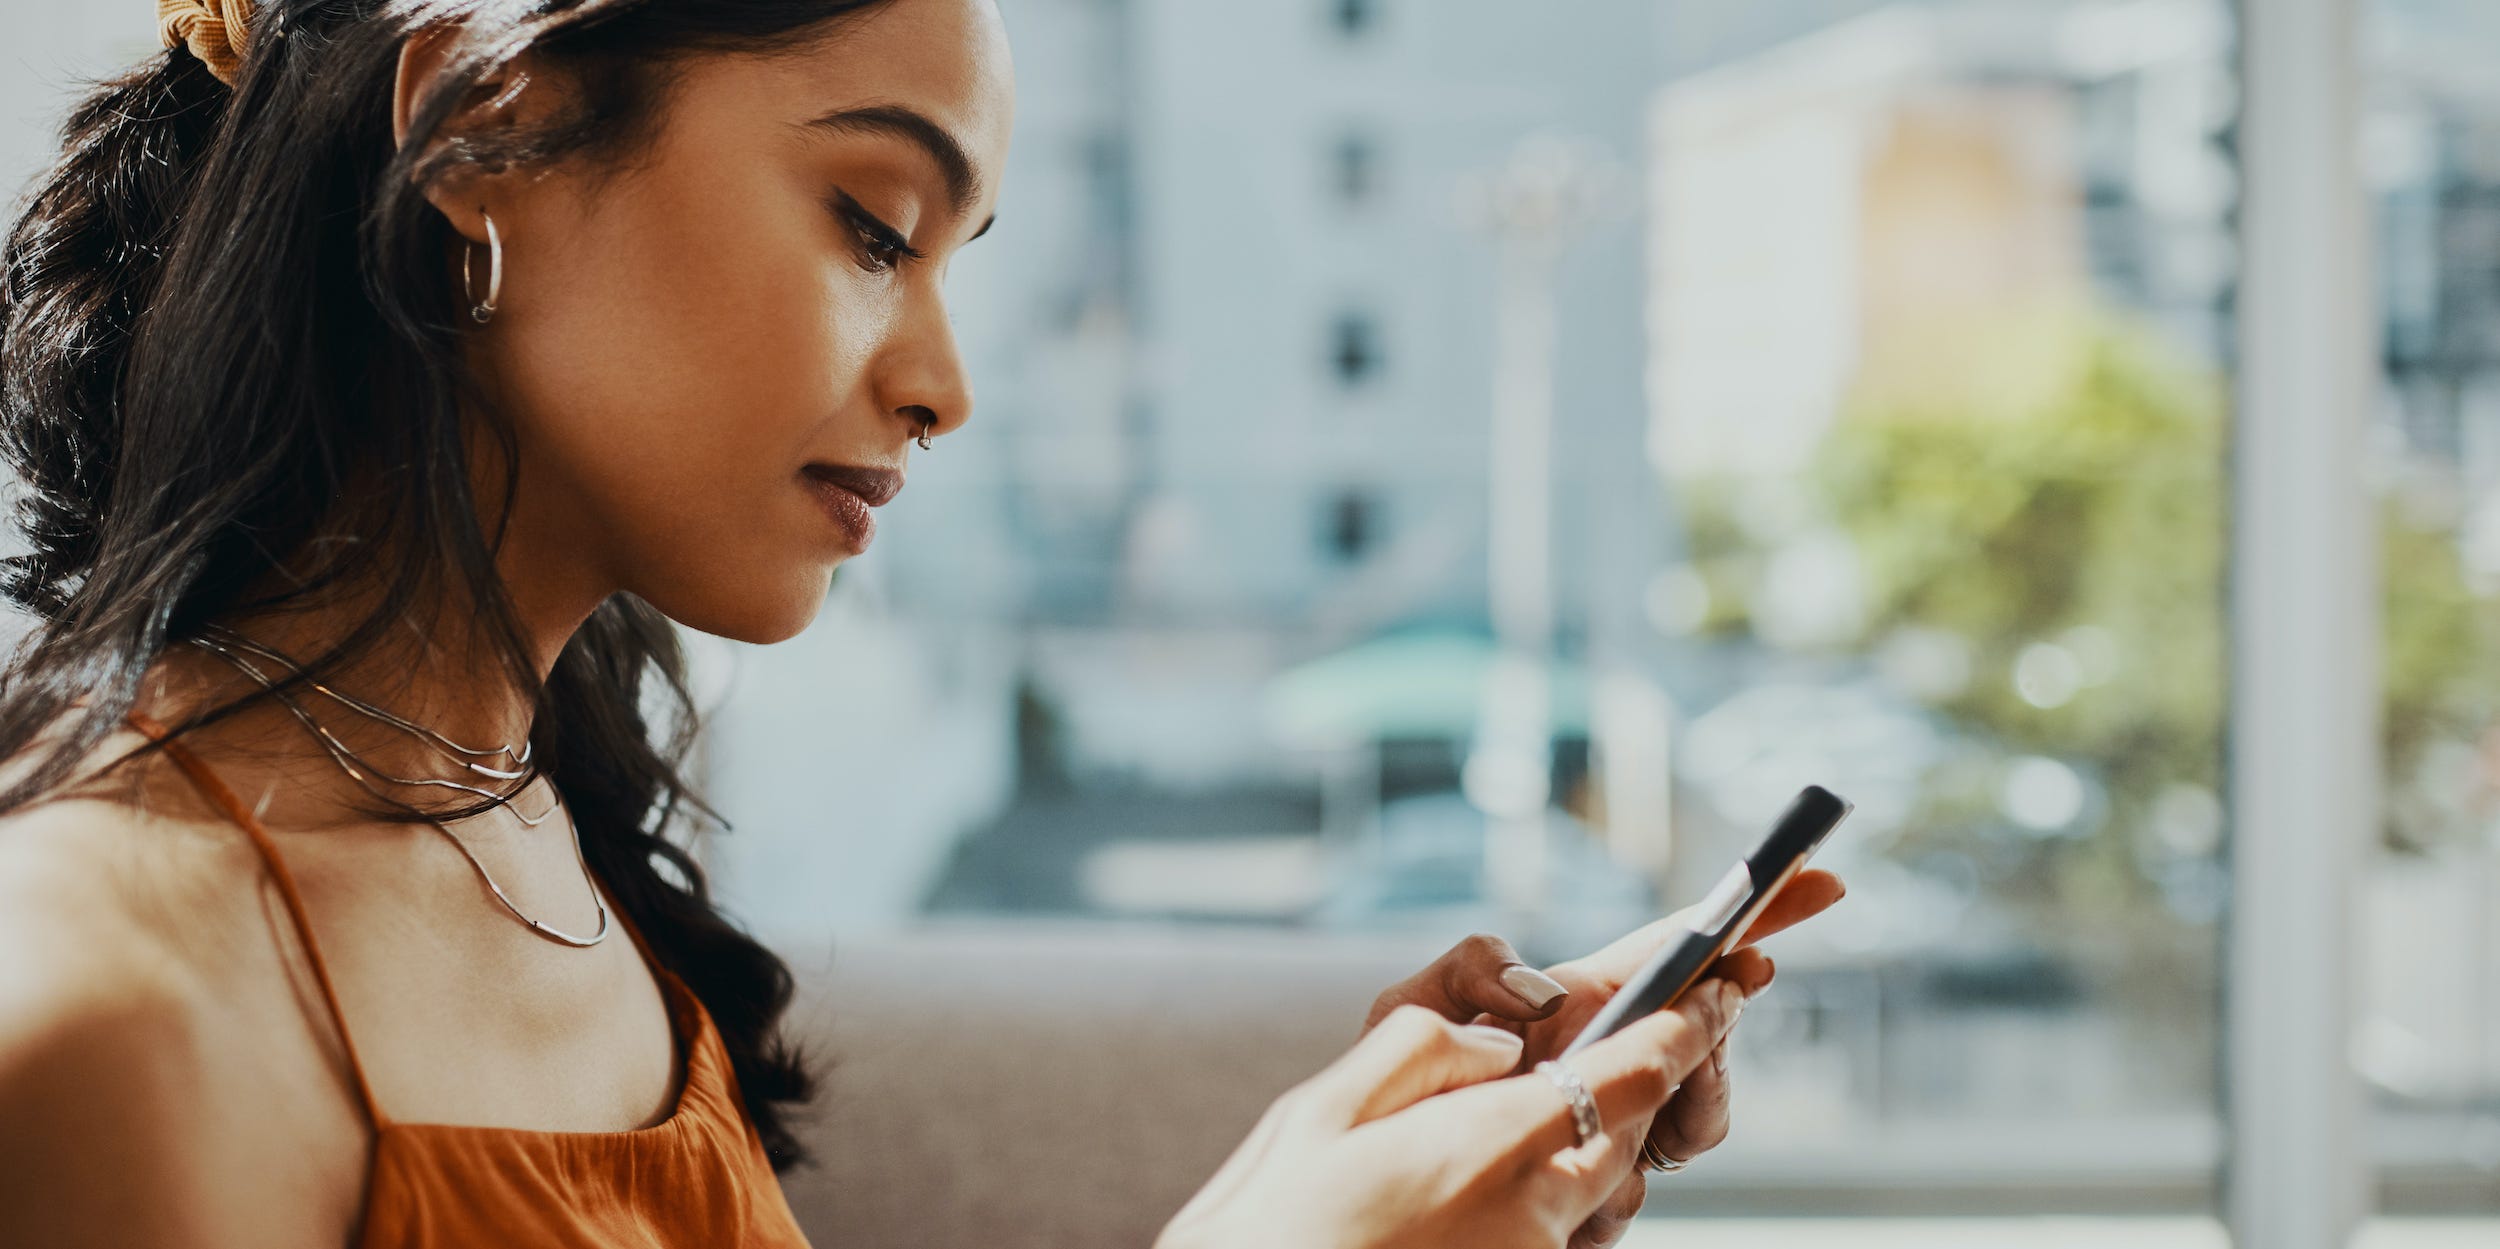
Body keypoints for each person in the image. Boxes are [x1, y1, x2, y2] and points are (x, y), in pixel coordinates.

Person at [0, 1, 1846, 1246]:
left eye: (955, 264)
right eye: (875, 226)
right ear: (489, 134)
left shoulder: (522, 815)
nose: (944, 384)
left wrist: (1311, 1187)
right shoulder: (106, 1012)